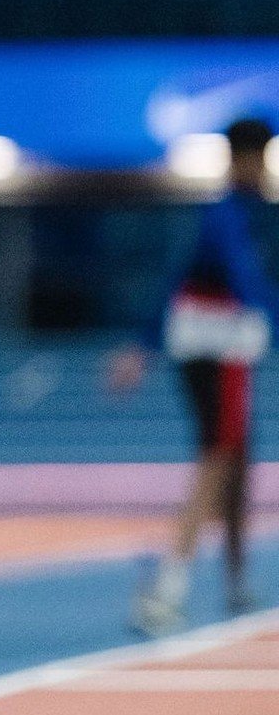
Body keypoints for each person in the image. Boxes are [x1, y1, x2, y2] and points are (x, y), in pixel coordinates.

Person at [110, 115, 279, 632]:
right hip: (213, 343)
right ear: (240, 159)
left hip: (227, 341)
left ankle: (233, 582)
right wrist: (141, 345)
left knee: (237, 457)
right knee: (219, 455)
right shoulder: (226, 213)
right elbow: (239, 278)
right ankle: (167, 584)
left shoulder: (253, 210)